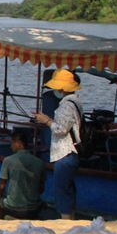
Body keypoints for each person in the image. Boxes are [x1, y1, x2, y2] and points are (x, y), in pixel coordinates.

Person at [33, 69, 82, 219]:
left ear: (61, 89)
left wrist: (46, 121)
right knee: (68, 190)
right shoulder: (76, 102)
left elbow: (61, 129)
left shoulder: (66, 105)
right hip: (71, 153)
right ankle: (71, 220)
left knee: (62, 192)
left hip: (65, 153)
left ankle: (66, 222)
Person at [0, 131, 47, 220]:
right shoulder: (40, 163)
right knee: (40, 202)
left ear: (18, 143)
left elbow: (2, 187)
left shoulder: (8, 160)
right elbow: (41, 190)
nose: (11, 146)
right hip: (35, 209)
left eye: (12, 143)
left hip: (13, 208)